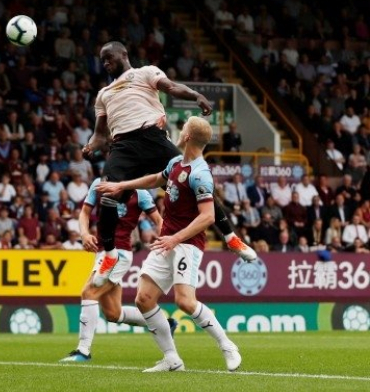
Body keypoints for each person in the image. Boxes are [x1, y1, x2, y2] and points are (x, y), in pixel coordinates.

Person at [83, 41, 256, 287]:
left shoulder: (144, 73)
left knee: (196, 183)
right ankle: (109, 254)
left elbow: (172, 87)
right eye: (102, 60)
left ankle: (231, 238)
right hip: (122, 147)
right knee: (107, 194)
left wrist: (196, 95)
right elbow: (100, 134)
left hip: (153, 138)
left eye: (109, 57)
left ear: (124, 54)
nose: (105, 63)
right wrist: (91, 146)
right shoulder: (104, 94)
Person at [97, 117, 241, 372]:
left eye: (183, 127)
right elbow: (154, 179)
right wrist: (122, 184)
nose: (180, 130)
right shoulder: (176, 162)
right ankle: (172, 359)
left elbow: (207, 217)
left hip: (186, 242)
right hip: (168, 240)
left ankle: (227, 345)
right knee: (144, 298)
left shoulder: (200, 174)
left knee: (185, 301)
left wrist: (175, 238)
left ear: (186, 137)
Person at [60, 176, 175, 362]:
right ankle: (164, 324)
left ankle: (83, 351)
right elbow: (84, 213)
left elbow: (160, 222)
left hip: (119, 254)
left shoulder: (140, 192)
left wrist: (168, 244)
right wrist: (84, 233)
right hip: (103, 252)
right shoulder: (99, 183)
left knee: (88, 292)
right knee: (113, 313)